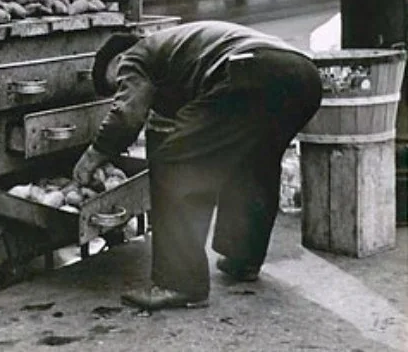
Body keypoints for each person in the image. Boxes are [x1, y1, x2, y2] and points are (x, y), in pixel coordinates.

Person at [73, 21, 322, 311]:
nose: (122, 87)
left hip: (249, 72)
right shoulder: (175, 49)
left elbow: (126, 114)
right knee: (253, 162)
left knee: (175, 164)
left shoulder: (136, 54)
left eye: (117, 84)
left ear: (117, 60)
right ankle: (243, 258)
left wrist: (94, 154)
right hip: (302, 76)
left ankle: (179, 283)